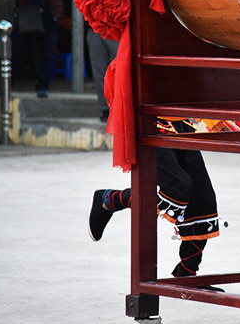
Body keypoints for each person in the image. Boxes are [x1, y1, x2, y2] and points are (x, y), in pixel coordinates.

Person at [88, 117, 223, 289]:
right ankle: (111, 199)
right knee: (177, 190)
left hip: (180, 123)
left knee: (203, 201)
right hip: (151, 122)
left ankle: (186, 273)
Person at [72, 0, 122, 121]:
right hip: (97, 31)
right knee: (99, 72)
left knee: (119, 73)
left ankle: (119, 109)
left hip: (118, 32)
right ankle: (105, 110)